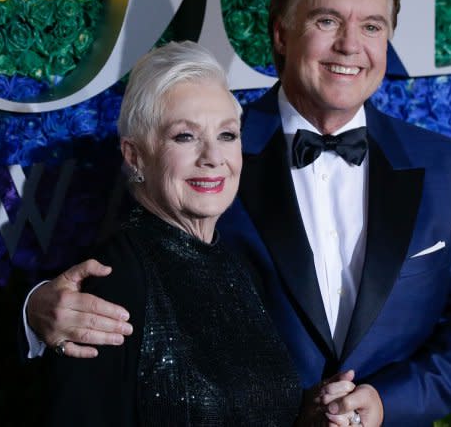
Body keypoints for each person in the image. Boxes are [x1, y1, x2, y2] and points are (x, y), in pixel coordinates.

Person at [26, 0, 451, 426]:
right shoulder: (209, 156)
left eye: (371, 25)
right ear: (281, 33)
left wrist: (388, 402)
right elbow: (110, 273)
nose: (350, 44)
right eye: (327, 20)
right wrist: (36, 310)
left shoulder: (442, 166)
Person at [42, 41, 305, 425]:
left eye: (227, 135)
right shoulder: (112, 283)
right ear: (135, 156)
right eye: (185, 136)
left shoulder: (238, 264)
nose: (213, 157)